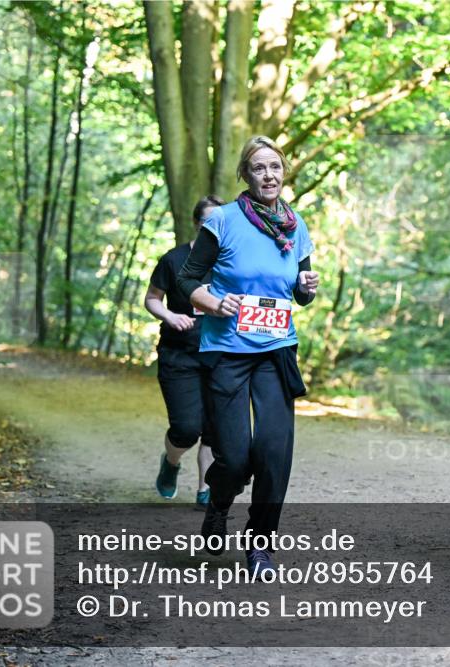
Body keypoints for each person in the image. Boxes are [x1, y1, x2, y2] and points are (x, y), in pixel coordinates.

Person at [177, 135, 318, 576]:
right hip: (227, 351)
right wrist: (212, 303)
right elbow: (188, 279)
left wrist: (305, 289)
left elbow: (298, 288)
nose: (269, 175)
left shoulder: (296, 225)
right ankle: (219, 504)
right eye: (259, 168)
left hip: (276, 350)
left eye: (275, 167)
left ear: (285, 171)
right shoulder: (222, 220)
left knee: (275, 454)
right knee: (234, 457)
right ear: (245, 174)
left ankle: (260, 547)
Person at [145, 195, 222, 509]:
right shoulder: (173, 259)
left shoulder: (231, 261)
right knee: (187, 428)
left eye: (220, 224)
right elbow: (152, 298)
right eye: (207, 222)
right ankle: (172, 462)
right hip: (179, 355)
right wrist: (169, 316)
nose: (213, 229)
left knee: (215, 428)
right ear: (196, 223)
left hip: (221, 354)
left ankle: (205, 490)